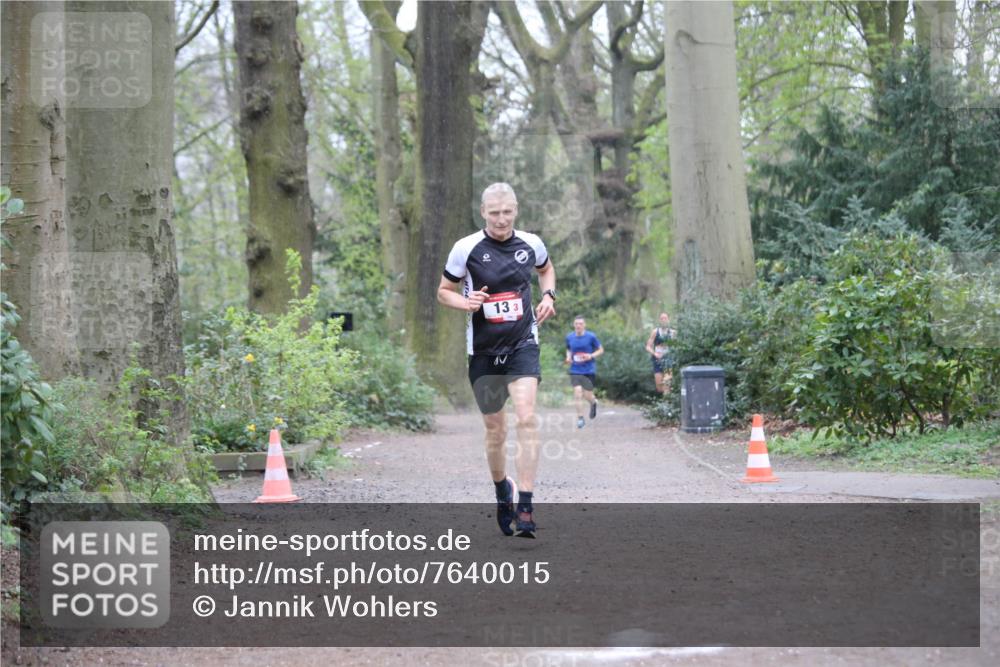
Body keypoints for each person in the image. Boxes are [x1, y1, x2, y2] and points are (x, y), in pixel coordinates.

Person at [437, 182, 556, 538]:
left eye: (507, 212)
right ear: (483, 212)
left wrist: (548, 295)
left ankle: (526, 504)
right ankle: (503, 490)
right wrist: (467, 303)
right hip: (484, 352)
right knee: (495, 429)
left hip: (523, 344)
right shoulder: (466, 248)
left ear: (515, 210)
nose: (501, 220)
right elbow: (444, 292)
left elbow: (546, 270)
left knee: (526, 417)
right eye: (494, 213)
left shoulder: (531, 244)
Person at [564, 315, 603, 429]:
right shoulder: (569, 337)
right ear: (574, 325)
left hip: (588, 370)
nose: (578, 326)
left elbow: (601, 350)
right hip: (575, 369)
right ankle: (580, 418)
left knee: (587, 395)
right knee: (577, 392)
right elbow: (568, 349)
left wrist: (591, 355)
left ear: (584, 325)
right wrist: (568, 357)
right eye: (576, 324)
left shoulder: (591, 337)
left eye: (580, 324)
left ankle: (593, 402)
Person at [645, 312, 676, 394]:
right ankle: (667, 396)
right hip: (657, 360)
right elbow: (648, 346)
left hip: (668, 360)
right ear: (659, 320)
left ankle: (667, 404)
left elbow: (677, 347)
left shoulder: (673, 333)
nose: (663, 320)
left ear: (668, 320)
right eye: (662, 318)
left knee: (667, 385)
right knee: (659, 387)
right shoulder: (655, 332)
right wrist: (655, 353)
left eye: (665, 318)